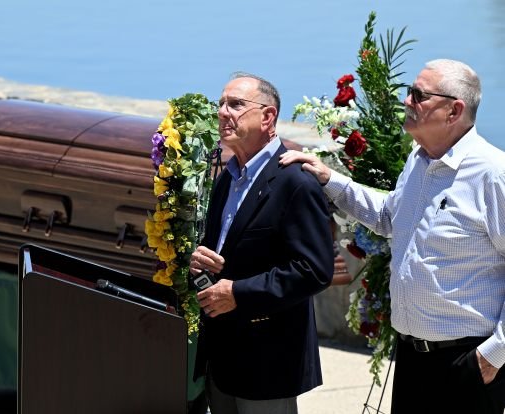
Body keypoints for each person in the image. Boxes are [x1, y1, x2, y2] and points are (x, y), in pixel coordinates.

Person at [279, 59, 505, 414]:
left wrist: (492, 356)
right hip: (413, 361)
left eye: (418, 95)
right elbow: (389, 217)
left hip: (467, 365)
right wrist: (330, 180)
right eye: (409, 92)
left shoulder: (492, 174)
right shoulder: (419, 160)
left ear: (454, 110)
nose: (407, 101)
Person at [189, 72, 334, 414]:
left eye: (236, 104)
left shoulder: (294, 182)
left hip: (268, 362)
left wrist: (237, 294)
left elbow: (313, 270)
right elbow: (223, 252)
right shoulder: (228, 177)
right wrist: (198, 263)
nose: (224, 112)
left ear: (268, 117)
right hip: (222, 358)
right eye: (221, 104)